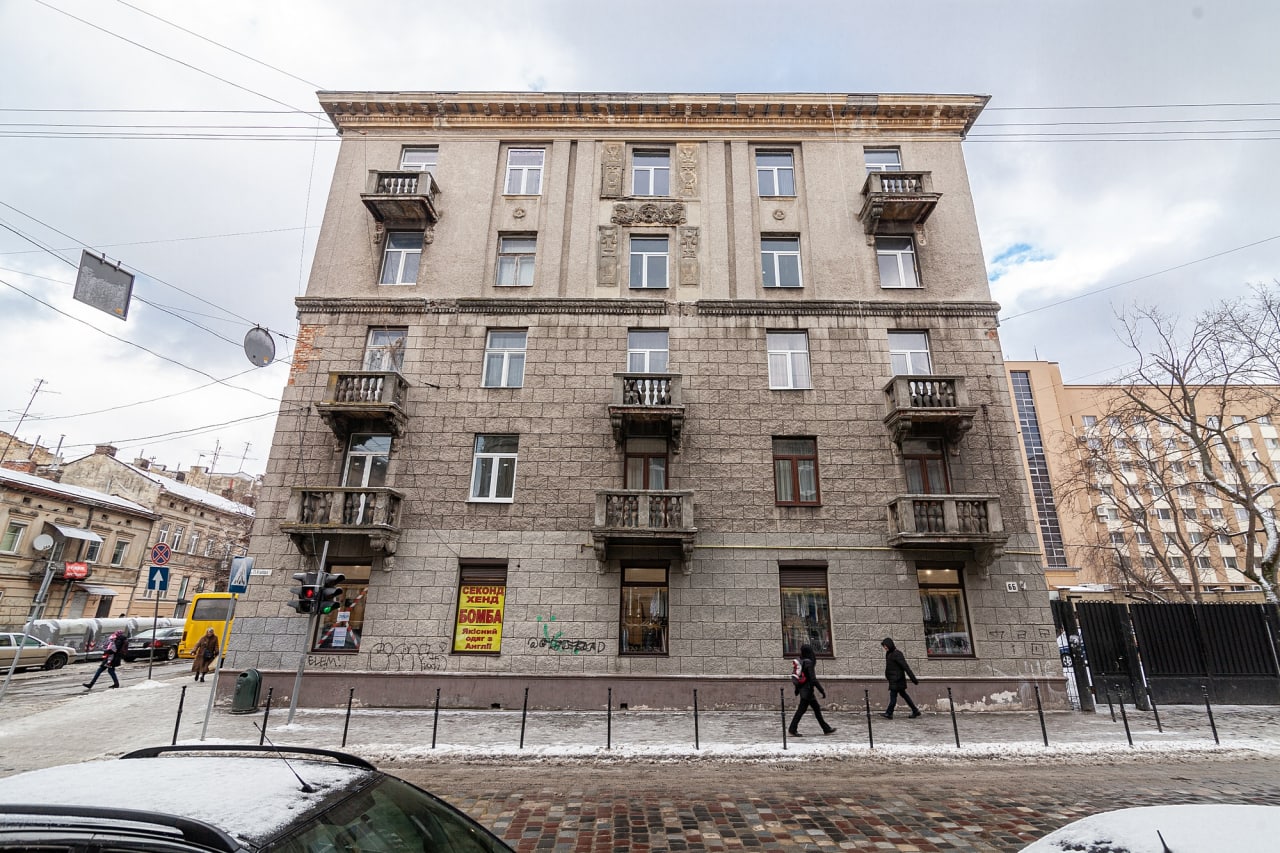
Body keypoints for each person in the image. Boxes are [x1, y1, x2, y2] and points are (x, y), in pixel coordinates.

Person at [788, 644, 836, 737]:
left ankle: (826, 728)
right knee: (801, 710)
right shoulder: (809, 662)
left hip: (805, 690)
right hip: (808, 691)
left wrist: (797, 689)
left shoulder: (801, 661)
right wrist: (821, 690)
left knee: (816, 709)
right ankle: (792, 729)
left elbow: (799, 676)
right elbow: (813, 679)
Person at [880, 637, 920, 719]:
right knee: (904, 695)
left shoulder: (897, 654)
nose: (885, 648)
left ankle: (889, 713)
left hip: (897, 680)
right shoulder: (889, 654)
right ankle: (915, 710)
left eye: (886, 646)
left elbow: (905, 667)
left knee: (893, 696)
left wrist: (913, 679)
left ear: (890, 645)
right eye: (884, 647)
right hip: (893, 679)